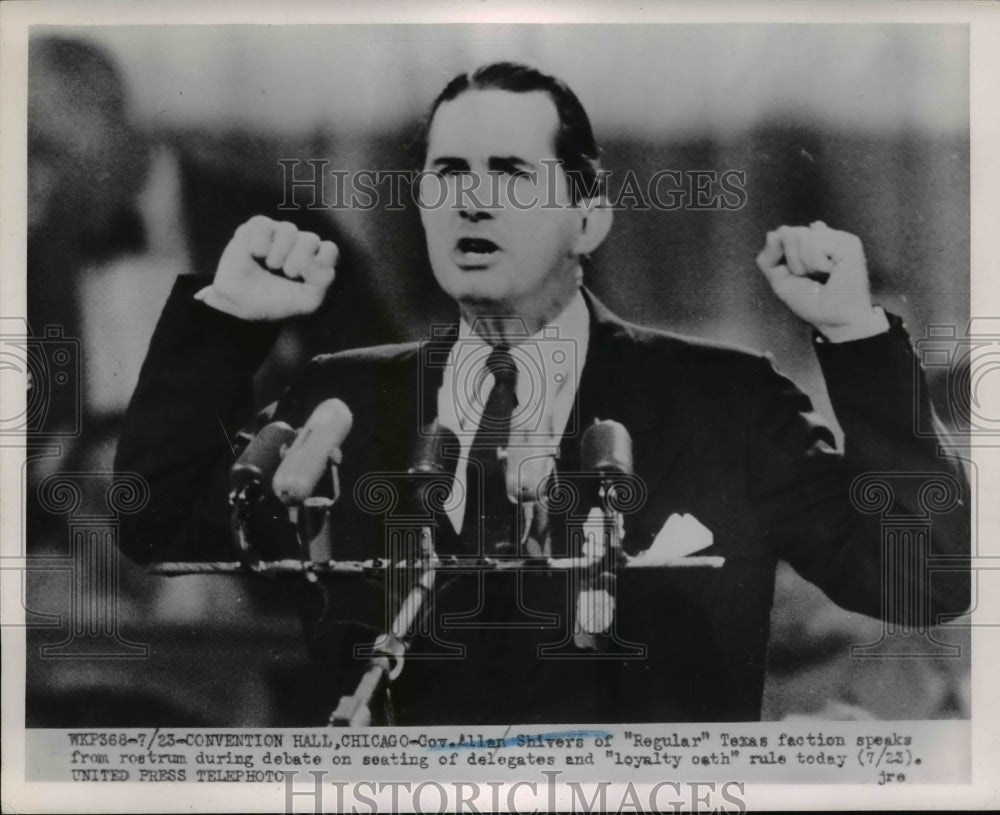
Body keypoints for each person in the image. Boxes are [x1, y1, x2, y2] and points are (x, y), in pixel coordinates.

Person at [115, 62, 970, 724]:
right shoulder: (345, 392)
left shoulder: (727, 398)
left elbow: (922, 579)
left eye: (511, 174)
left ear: (588, 216)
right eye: (448, 174)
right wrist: (226, 321)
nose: (472, 201)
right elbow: (156, 526)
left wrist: (858, 338)